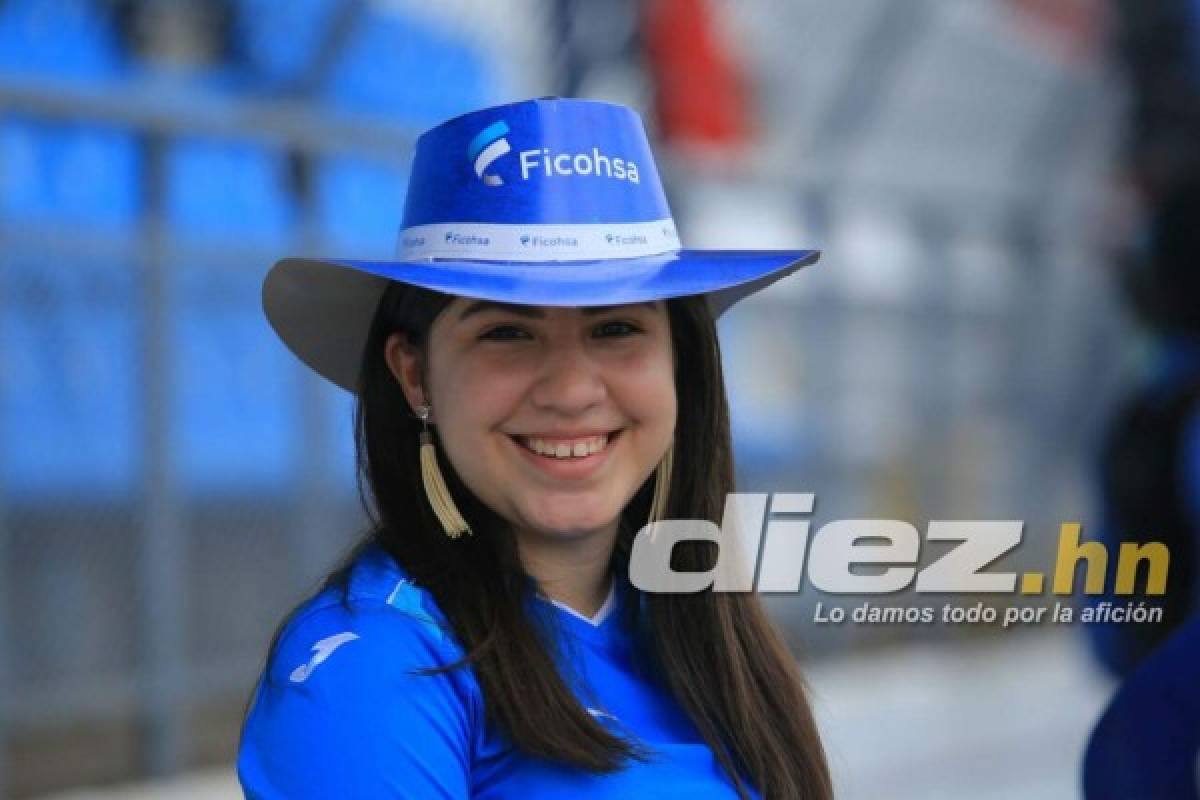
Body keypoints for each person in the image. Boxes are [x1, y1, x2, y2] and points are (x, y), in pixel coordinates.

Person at [237, 97, 832, 799]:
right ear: (414, 372)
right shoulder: (369, 669)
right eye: (507, 334)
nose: (572, 390)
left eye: (614, 329)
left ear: (682, 364)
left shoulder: (704, 636)